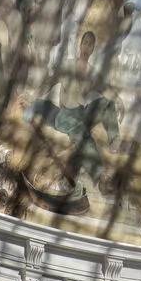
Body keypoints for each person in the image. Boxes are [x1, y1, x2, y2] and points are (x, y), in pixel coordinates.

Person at [30, 30, 121, 191]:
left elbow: (105, 89)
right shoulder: (68, 64)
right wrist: (33, 95)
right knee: (83, 135)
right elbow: (51, 81)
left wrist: (119, 100)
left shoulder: (92, 72)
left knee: (107, 103)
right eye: (85, 43)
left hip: (81, 112)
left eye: (90, 44)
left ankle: (114, 141)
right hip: (65, 114)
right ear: (80, 45)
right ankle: (100, 177)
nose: (87, 47)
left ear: (93, 49)